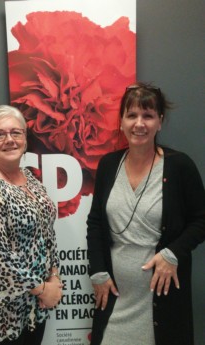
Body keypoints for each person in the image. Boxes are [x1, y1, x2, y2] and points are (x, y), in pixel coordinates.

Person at [86, 82, 205, 345]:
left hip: (161, 303)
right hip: (115, 299)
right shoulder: (108, 165)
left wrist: (172, 253)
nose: (139, 123)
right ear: (121, 122)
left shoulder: (179, 166)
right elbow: (95, 223)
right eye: (132, 115)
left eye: (148, 115)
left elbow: (201, 219)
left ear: (160, 122)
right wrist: (98, 272)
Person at [0, 105, 63, 345]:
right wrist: (42, 289)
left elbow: (47, 233)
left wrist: (54, 277)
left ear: (25, 140)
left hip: (35, 306)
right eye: (0, 134)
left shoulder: (29, 178)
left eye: (16, 133)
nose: (9, 139)